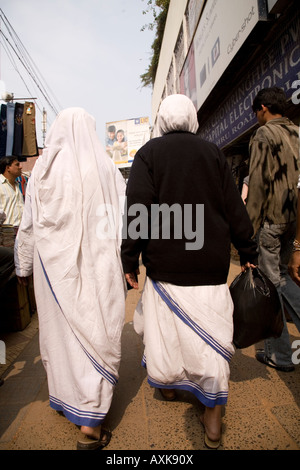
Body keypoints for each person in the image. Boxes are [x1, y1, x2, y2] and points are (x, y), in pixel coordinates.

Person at [121, 94, 258, 449]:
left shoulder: (148, 154)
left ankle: (169, 385)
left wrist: (129, 260)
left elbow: (138, 209)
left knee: (168, 332)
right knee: (208, 334)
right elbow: (233, 206)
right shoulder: (212, 153)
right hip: (210, 264)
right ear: (192, 119)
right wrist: (247, 250)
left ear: (163, 120)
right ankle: (212, 416)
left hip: (166, 264)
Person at [14, 108, 127, 450]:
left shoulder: (43, 171)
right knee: (97, 328)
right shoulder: (106, 167)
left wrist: (23, 266)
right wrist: (128, 261)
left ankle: (70, 399)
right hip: (98, 267)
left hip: (53, 275)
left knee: (61, 336)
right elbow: (124, 218)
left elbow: (28, 225)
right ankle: (91, 420)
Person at [246, 87, 300, 372]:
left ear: (263, 108)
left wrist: (247, 231)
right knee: (285, 277)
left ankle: (279, 354)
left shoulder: (263, 135)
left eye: (257, 112)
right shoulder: (297, 132)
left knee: (272, 285)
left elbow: (257, 187)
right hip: (294, 221)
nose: (256, 117)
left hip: (272, 221)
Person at [0, 156, 24, 227]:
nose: (20, 167)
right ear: (8, 168)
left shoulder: (17, 185)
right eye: (17, 165)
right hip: (5, 233)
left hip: (21, 231)